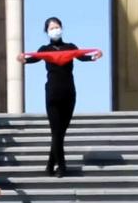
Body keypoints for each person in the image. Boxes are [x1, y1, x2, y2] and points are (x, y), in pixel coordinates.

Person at [18, 17, 102, 178]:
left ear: (62, 28)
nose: (55, 30)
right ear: (47, 31)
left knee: (60, 132)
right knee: (56, 132)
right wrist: (23, 60)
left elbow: (82, 56)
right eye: (51, 28)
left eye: (57, 27)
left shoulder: (70, 47)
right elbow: (32, 59)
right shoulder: (44, 49)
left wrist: (94, 56)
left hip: (69, 93)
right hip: (52, 94)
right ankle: (62, 166)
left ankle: (50, 165)